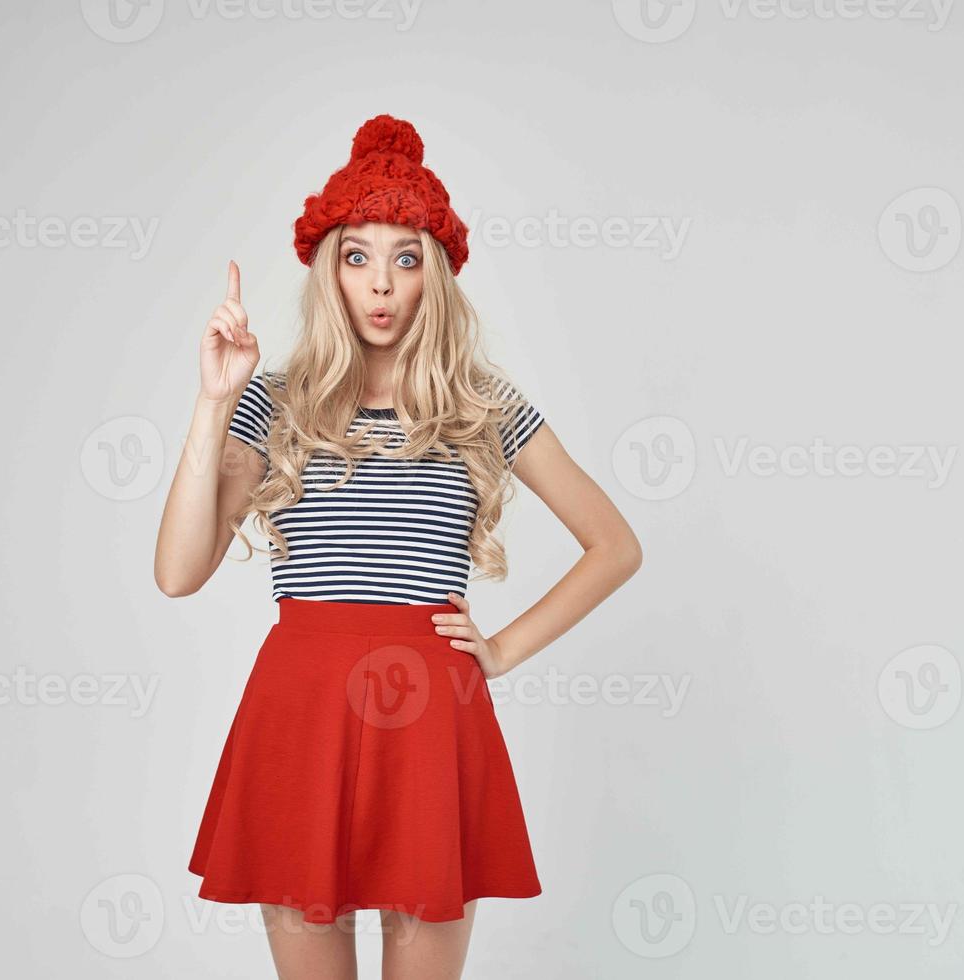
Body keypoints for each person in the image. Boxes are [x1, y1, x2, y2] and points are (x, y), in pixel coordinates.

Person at [154, 113, 643, 980]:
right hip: (299, 715)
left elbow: (613, 544)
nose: (380, 284)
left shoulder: (480, 405)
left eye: (406, 257)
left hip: (428, 718)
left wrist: (499, 652)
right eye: (357, 256)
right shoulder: (277, 402)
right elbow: (177, 572)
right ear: (328, 272)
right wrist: (211, 404)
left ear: (437, 276)